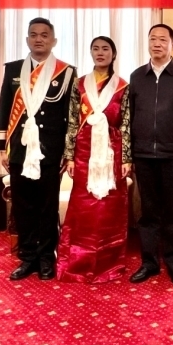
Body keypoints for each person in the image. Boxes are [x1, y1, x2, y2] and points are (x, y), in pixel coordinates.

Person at [0, 17, 76, 281]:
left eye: (44, 35)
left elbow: (70, 116)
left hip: (50, 150)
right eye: (33, 34)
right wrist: (1, 147)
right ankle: (27, 257)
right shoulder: (13, 69)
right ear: (27, 39)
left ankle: (46, 258)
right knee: (23, 205)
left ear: (53, 40)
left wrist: (68, 152)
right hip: (19, 149)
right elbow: (4, 109)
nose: (38, 39)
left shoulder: (66, 72)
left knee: (47, 206)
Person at [128, 24, 173, 285]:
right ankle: (149, 263)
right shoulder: (137, 77)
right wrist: (130, 155)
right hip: (143, 155)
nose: (157, 43)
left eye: (162, 39)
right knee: (147, 213)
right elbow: (129, 119)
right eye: (152, 39)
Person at [56, 36, 131, 283]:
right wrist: (69, 156)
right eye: (95, 49)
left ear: (113, 54)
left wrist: (126, 158)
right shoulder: (79, 85)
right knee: (83, 209)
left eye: (105, 49)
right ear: (90, 53)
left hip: (112, 153)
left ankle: (110, 263)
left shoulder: (123, 86)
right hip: (83, 154)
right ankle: (77, 261)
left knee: (109, 209)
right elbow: (72, 122)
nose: (100, 53)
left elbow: (126, 124)